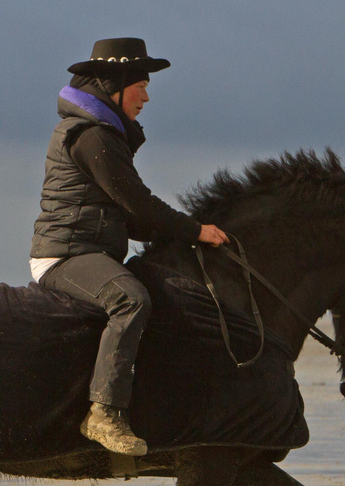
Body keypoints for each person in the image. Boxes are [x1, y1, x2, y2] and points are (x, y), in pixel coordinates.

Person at [32, 38, 229, 456]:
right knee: (131, 300)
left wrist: (184, 240)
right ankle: (103, 413)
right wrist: (195, 230)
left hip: (91, 252)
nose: (146, 95)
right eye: (140, 84)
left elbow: (133, 219)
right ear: (112, 86)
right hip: (64, 255)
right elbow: (138, 203)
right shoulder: (92, 137)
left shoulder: (105, 134)